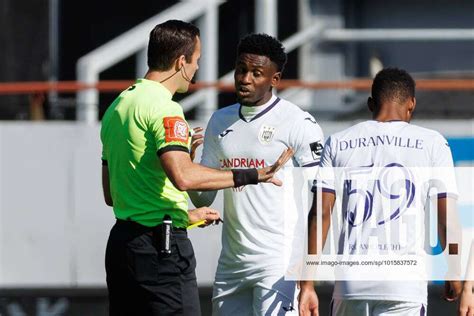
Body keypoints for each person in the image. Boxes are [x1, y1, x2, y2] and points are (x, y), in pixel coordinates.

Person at [100, 21, 293, 316]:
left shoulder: (118, 106)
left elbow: (112, 194)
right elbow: (184, 177)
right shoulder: (165, 108)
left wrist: (185, 215)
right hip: (161, 252)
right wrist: (253, 175)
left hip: (123, 247)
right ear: (181, 62)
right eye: (196, 61)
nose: (197, 69)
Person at [298, 68, 462, 316]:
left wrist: (307, 283)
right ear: (412, 104)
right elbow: (446, 219)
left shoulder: (338, 142)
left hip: (351, 286)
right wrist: (454, 269)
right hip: (403, 287)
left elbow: (320, 214)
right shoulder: (433, 143)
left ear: (370, 104)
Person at [189, 33, 324, 315]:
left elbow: (322, 202)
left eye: (256, 73)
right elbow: (203, 199)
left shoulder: (298, 122)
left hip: (278, 262)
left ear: (274, 79)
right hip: (232, 264)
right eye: (241, 69)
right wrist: (190, 167)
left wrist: (308, 276)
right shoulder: (220, 120)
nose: (245, 78)